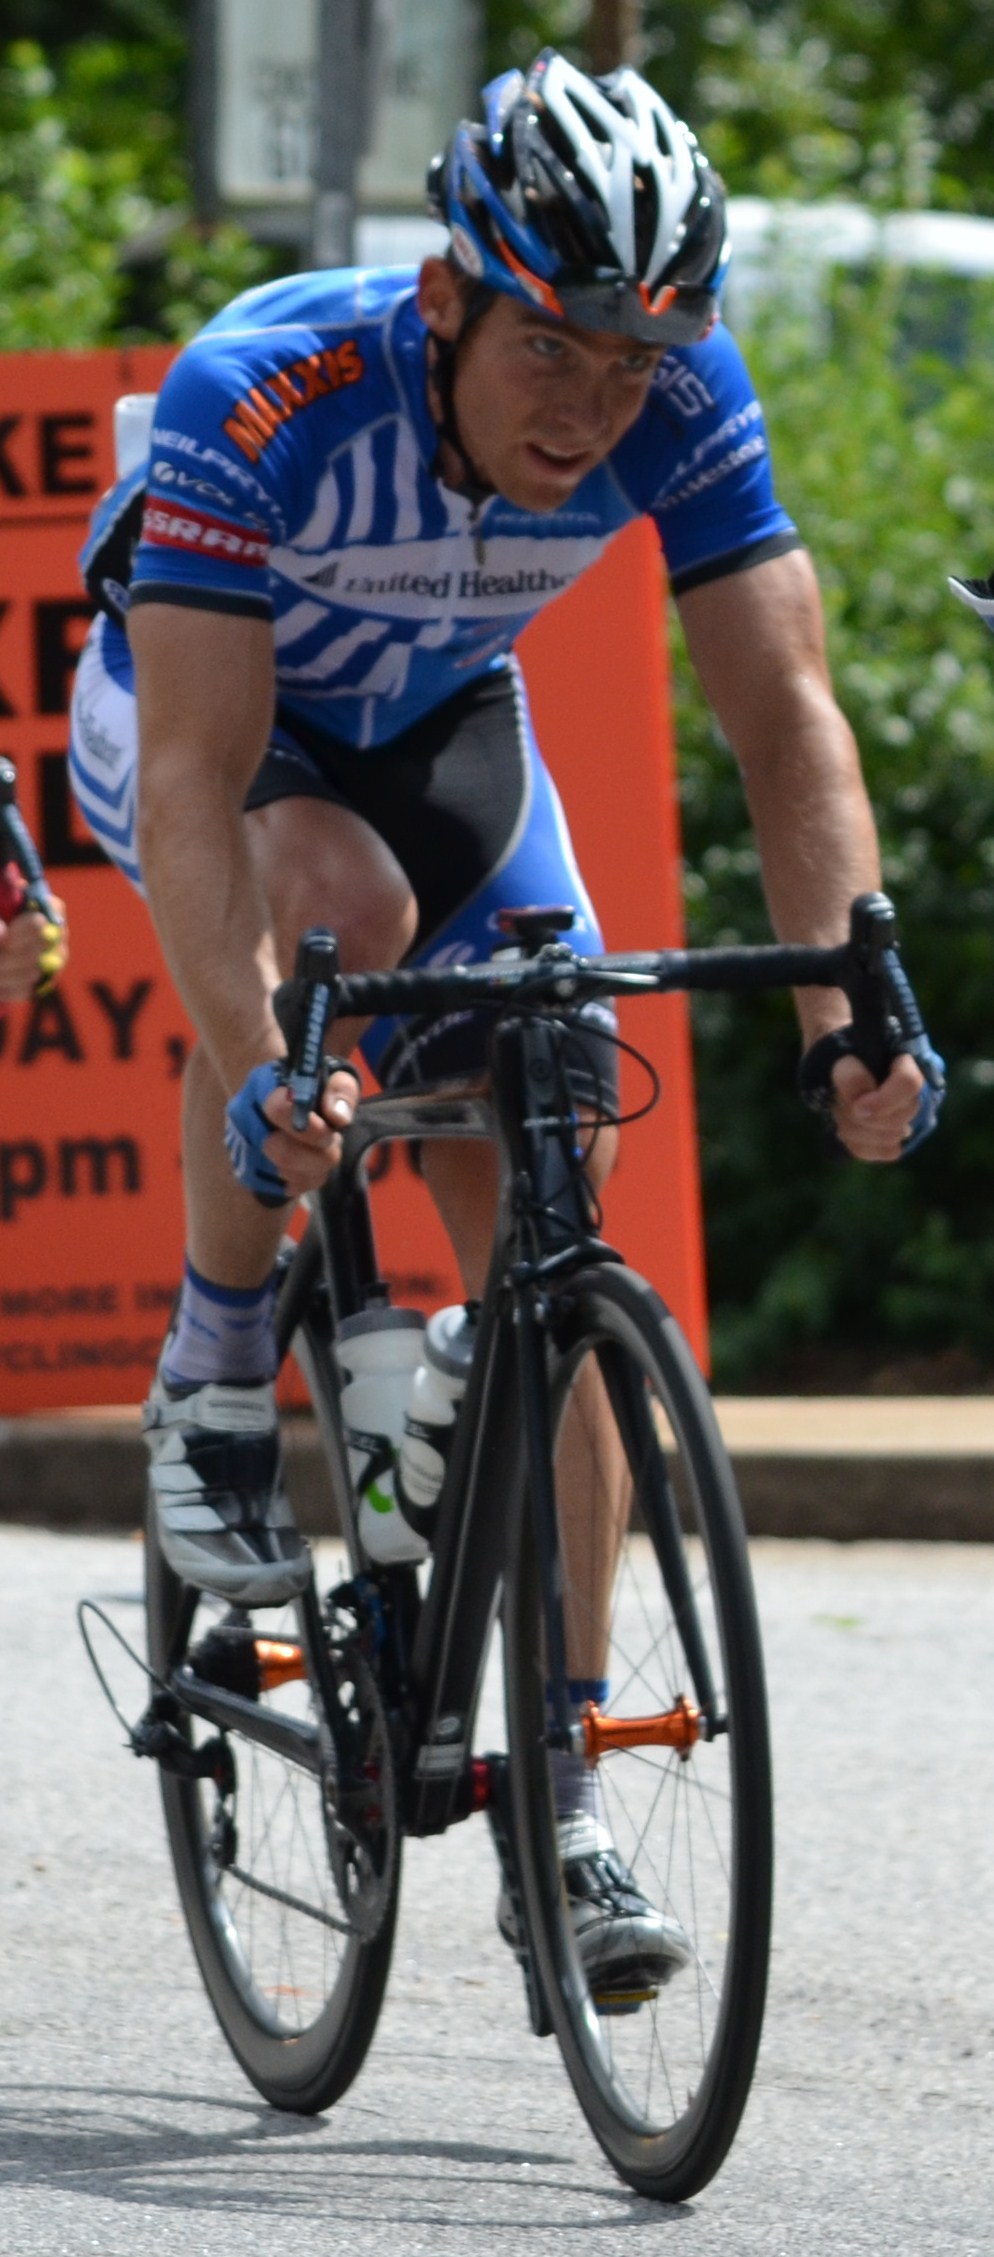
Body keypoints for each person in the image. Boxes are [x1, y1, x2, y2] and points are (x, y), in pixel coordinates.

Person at [69, 49, 932, 1988]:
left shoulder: (672, 404)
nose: (594, 405)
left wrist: (850, 991)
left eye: (636, 361)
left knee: (558, 1141)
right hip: (213, 720)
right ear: (446, 294)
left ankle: (561, 1793)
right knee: (332, 927)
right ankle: (216, 1375)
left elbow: (784, 720)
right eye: (554, 347)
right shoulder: (267, 390)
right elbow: (197, 784)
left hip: (443, 725)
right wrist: (267, 1064)